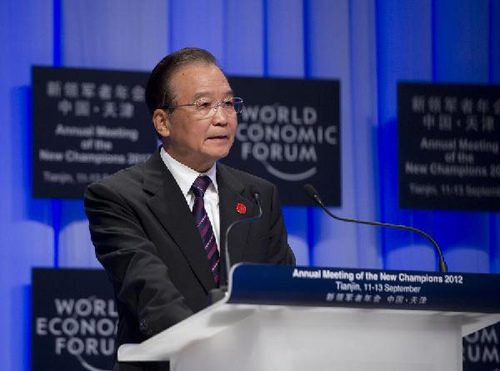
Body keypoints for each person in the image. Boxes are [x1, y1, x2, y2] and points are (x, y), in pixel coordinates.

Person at [84, 47, 295, 371]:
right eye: (204, 105)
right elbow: (152, 295)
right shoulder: (117, 197)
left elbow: (282, 293)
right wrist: (213, 355)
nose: (223, 117)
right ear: (163, 122)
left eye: (228, 103)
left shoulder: (258, 196)